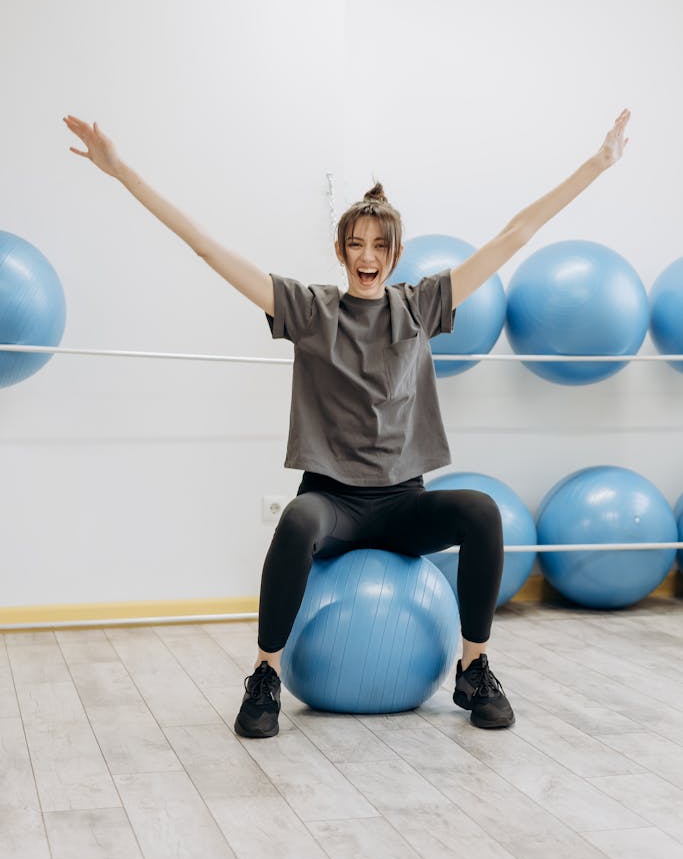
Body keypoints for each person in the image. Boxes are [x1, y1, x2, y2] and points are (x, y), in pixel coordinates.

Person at [64, 108, 631, 738]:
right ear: (341, 251)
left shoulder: (420, 307)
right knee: (297, 519)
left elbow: (514, 234)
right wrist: (121, 172)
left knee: (480, 511)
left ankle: (474, 667)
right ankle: (265, 677)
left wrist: (596, 165)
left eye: (379, 246)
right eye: (355, 244)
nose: (367, 256)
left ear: (395, 254)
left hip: (401, 503)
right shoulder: (310, 310)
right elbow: (205, 246)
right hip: (332, 502)